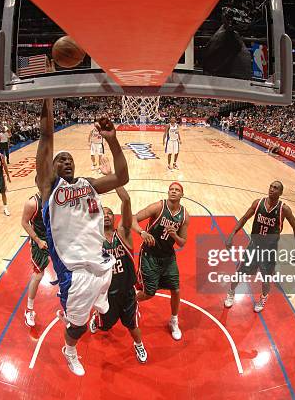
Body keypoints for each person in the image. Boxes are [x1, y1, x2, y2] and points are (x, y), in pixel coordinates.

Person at [36, 94, 129, 376]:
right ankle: (70, 350)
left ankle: (91, 308)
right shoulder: (48, 189)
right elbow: (45, 139)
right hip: (73, 270)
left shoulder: (88, 184)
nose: (65, 161)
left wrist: (112, 140)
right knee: (76, 325)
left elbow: (122, 178)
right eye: (60, 159)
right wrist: (48, 99)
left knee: (102, 306)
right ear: (50, 169)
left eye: (69, 159)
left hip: (101, 261)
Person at [89, 158, 147, 364]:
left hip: (126, 291)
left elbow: (127, 201)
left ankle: (138, 345)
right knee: (106, 326)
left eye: (109, 213)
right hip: (105, 292)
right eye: (102, 213)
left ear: (114, 218)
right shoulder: (94, 238)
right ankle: (98, 318)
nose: (106, 215)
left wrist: (110, 177)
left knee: (132, 325)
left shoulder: (123, 233)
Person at [224, 181, 295, 312]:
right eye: (270, 186)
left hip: (269, 250)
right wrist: (232, 234)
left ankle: (263, 298)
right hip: (254, 246)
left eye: (275, 188)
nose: (271, 189)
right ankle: (231, 292)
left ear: (280, 193)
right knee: (239, 273)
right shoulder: (258, 203)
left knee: (266, 280)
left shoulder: (284, 209)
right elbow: (243, 218)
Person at [132, 182, 189, 341]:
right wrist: (142, 232)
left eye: (177, 190)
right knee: (149, 293)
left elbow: (182, 242)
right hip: (149, 255)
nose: (173, 191)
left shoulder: (184, 215)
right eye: (171, 189)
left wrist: (175, 236)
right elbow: (132, 218)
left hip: (168, 257)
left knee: (176, 289)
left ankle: (174, 320)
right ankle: (129, 301)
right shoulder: (158, 207)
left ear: (181, 195)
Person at [21, 187, 50, 327]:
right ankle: (29, 309)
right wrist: (38, 241)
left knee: (67, 268)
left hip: (54, 238)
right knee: (38, 275)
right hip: (39, 240)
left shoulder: (54, 197)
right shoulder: (32, 203)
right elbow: (24, 223)